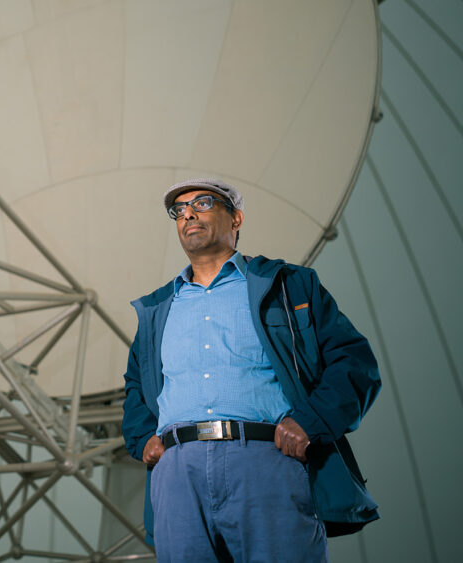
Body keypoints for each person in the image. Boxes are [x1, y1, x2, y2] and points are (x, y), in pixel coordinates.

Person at [121, 178, 381, 562]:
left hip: (267, 459)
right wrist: (143, 437)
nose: (188, 214)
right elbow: (134, 385)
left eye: (203, 203)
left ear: (236, 218)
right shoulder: (158, 308)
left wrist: (311, 422)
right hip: (177, 472)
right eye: (179, 210)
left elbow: (354, 361)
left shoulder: (287, 287)